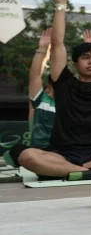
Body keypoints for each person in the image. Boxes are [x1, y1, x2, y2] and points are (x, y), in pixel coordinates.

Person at [12, 0, 91, 178]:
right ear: (75, 63)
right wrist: (61, 4)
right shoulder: (64, 82)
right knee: (27, 156)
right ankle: (90, 171)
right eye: (85, 57)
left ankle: (83, 169)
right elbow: (57, 43)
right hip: (63, 155)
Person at [5, 30, 57, 169]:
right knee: (15, 152)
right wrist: (42, 50)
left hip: (63, 154)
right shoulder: (41, 102)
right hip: (39, 153)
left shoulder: (74, 102)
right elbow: (35, 76)